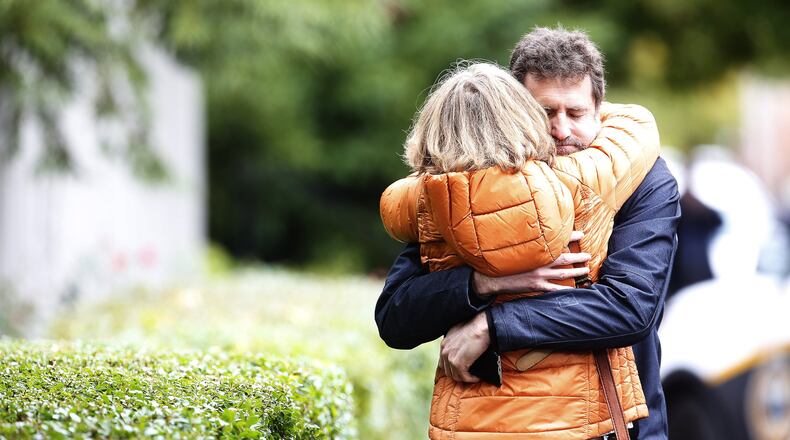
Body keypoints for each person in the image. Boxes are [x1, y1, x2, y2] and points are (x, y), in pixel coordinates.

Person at [375, 27, 681, 439]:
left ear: (599, 109)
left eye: (576, 113)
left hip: (619, 423)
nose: (561, 130)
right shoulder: (470, 185)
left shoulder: (644, 180)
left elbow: (629, 308)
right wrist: (481, 283)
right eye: (545, 112)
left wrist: (491, 326)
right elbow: (395, 317)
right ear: (516, 111)